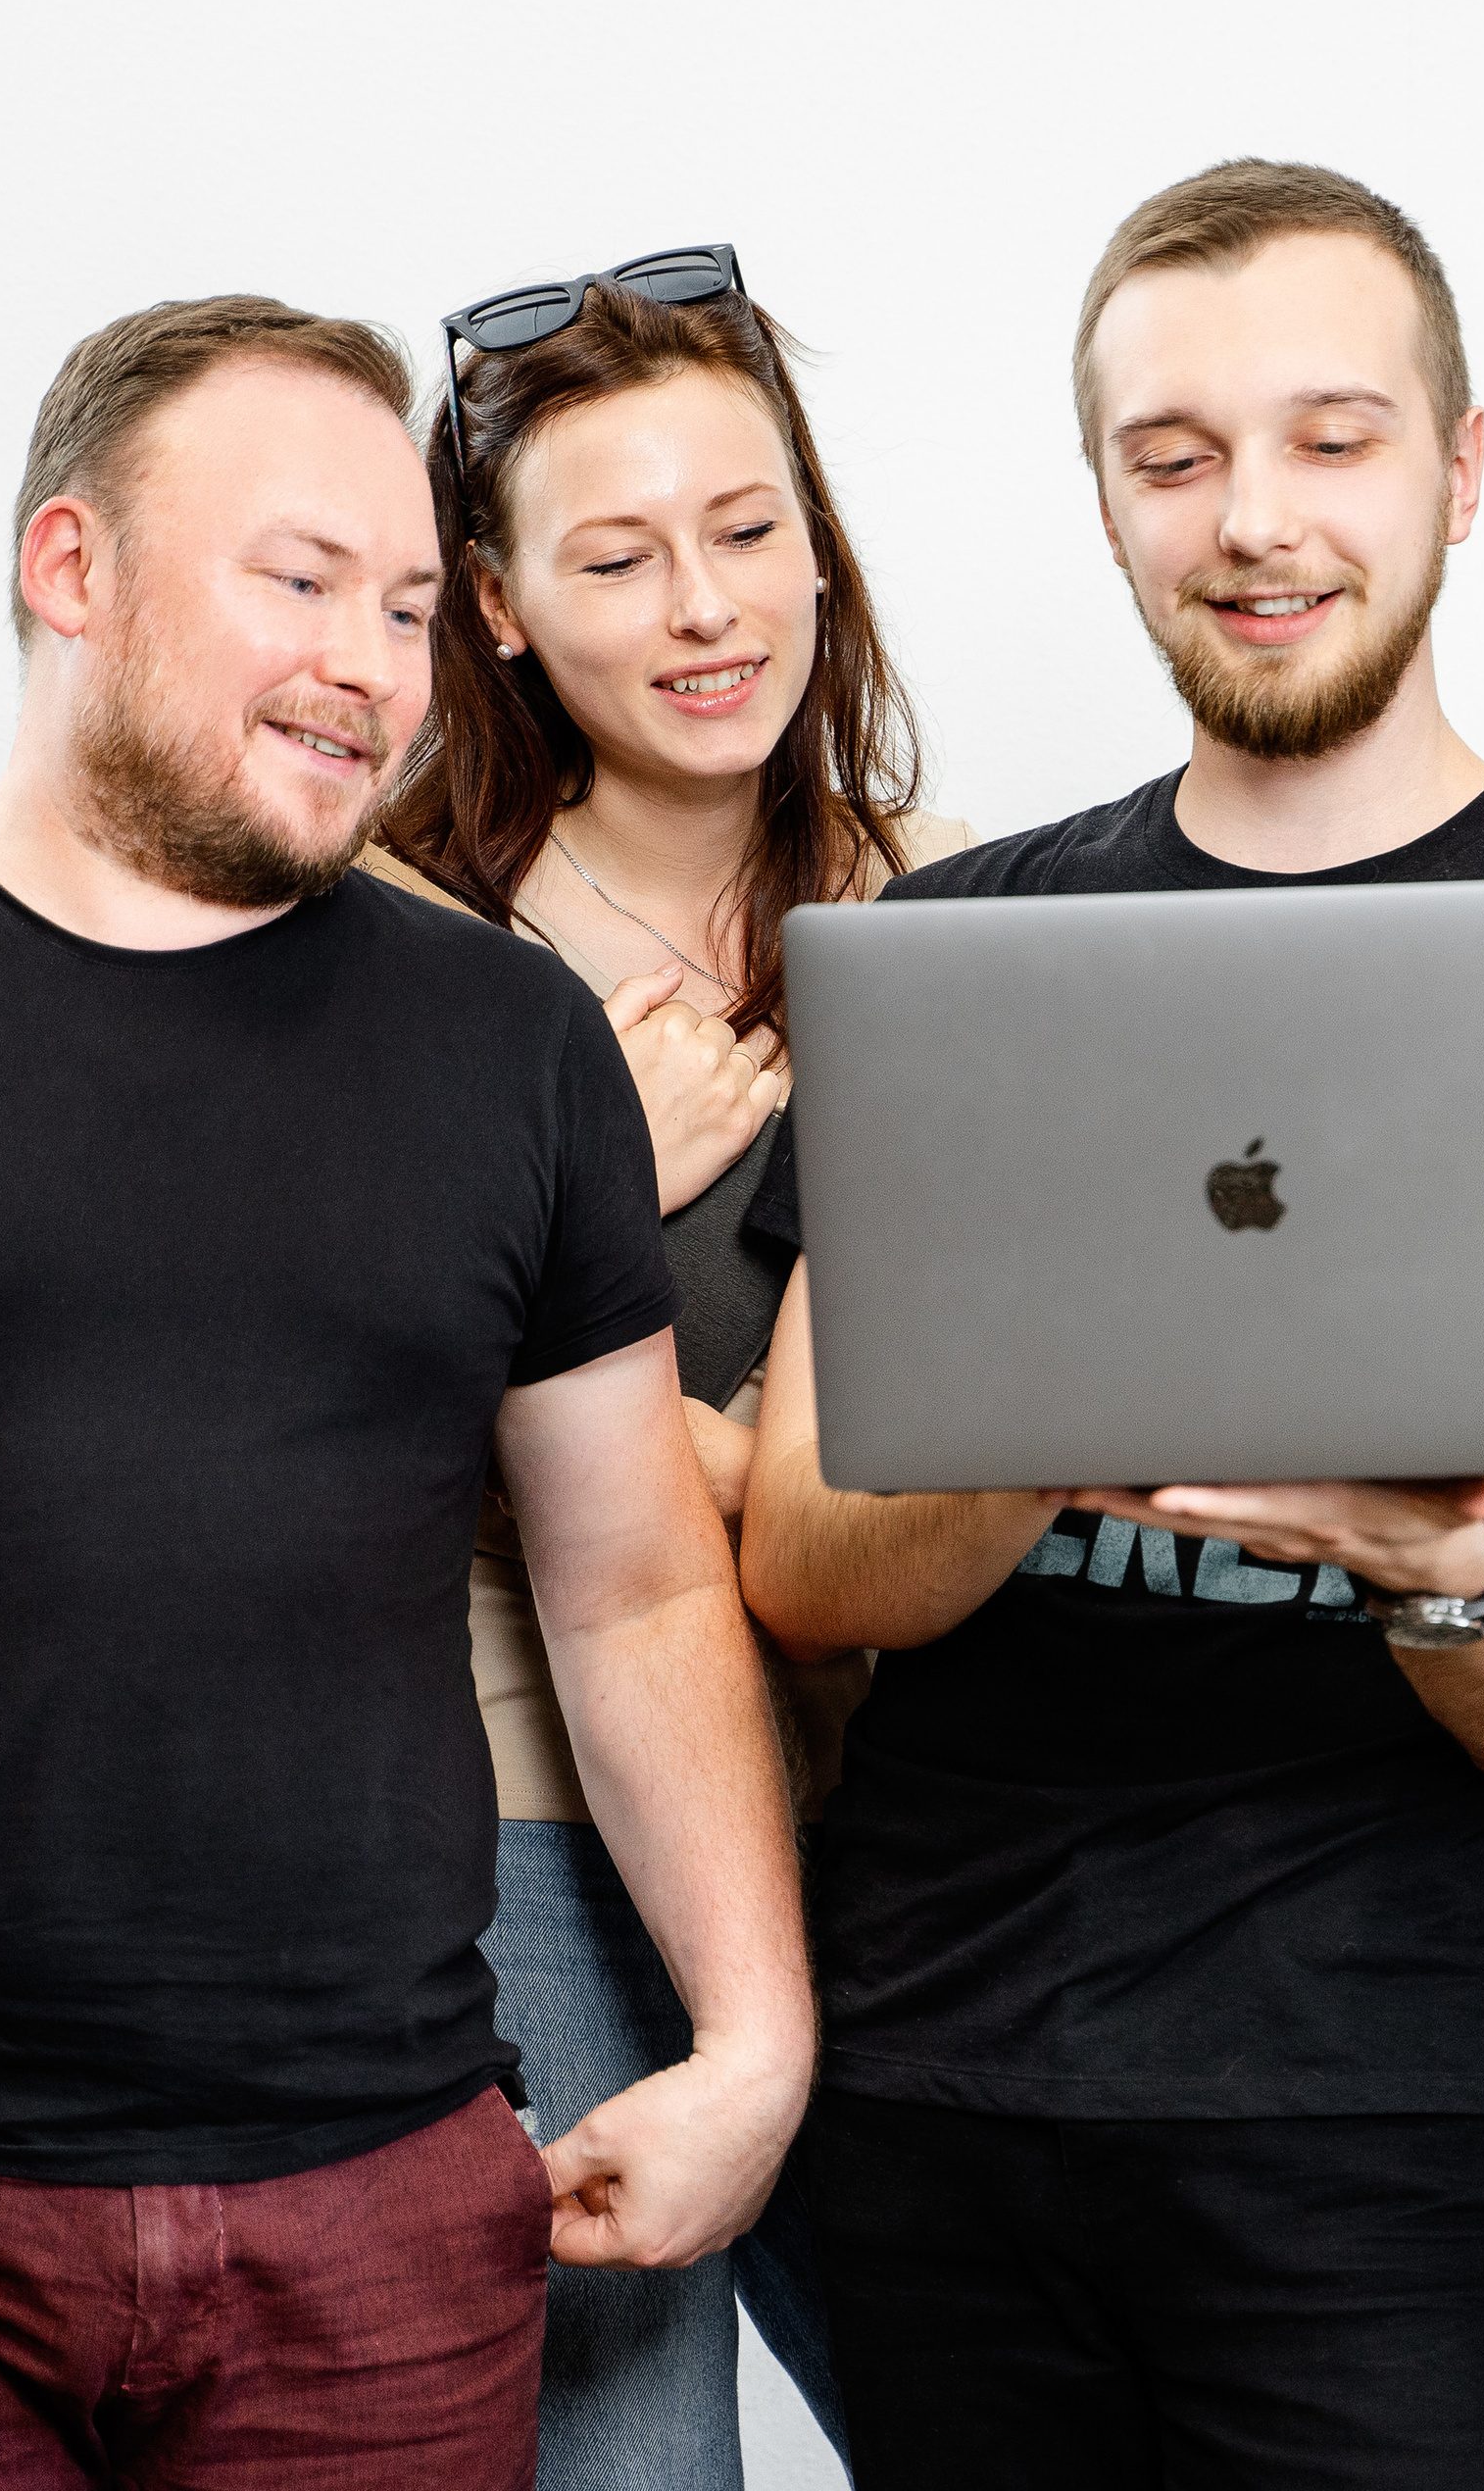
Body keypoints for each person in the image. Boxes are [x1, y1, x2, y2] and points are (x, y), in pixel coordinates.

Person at [734, 158, 1484, 2490]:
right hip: (935, 2088)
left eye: (1330, 436)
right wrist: (1073, 1390)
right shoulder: (957, 957)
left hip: (1361, 2120)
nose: (1252, 520)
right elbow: (804, 1572)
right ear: (1103, 502)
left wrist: (1430, 1563)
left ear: (1460, 467)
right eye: (1173, 453)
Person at [0, 297, 811, 2485]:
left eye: (418, 601)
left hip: (380, 2200)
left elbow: (627, 1583)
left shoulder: (507, 1042)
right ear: (72, 570)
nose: (372, 654)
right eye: (301, 578)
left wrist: (753, 2034)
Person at [372, 247, 965, 2489]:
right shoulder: (392, 946)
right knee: (636, 2460)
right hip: (529, 1830)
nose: (705, 606)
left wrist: (734, 1460)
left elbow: (998, 1421)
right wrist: (594, 1186)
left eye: (743, 530)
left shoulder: (941, 920)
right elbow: (311, 1430)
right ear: (500, 609)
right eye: (615, 557)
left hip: (893, 1829)